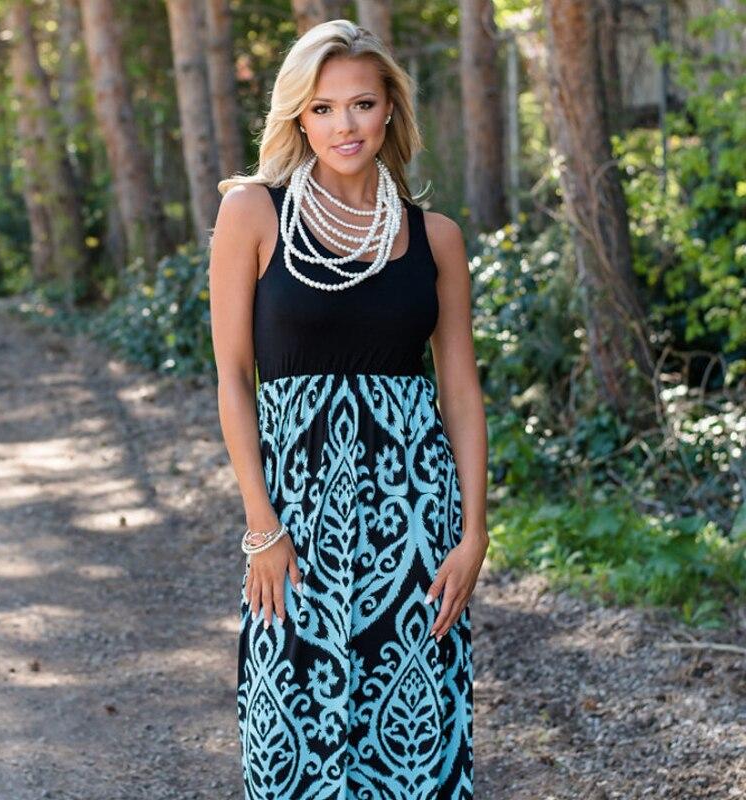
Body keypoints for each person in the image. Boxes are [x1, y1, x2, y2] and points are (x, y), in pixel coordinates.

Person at [208, 18, 489, 800]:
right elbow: (232, 376)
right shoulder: (254, 214)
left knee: (413, 740)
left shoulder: (436, 238)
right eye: (323, 108)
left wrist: (473, 533)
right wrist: (261, 526)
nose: (345, 125)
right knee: (289, 735)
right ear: (299, 117)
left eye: (362, 104)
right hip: (293, 518)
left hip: (416, 522)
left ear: (389, 109)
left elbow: (460, 392)